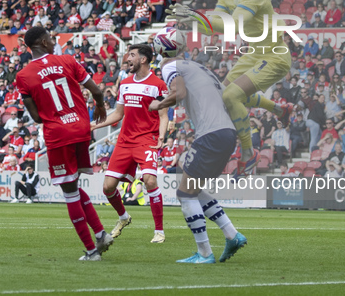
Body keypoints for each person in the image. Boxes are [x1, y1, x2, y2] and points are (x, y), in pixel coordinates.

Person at [169, 0, 289, 178]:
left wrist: (195, 16)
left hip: (275, 55)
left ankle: (248, 153)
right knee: (224, 94)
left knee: (231, 96)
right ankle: (278, 109)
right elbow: (216, 22)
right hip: (256, 52)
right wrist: (193, 20)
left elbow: (233, 25)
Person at [148, 33, 246, 264]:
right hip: (226, 132)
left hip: (211, 134)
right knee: (193, 188)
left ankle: (204, 253)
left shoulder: (170, 65)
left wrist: (158, 104)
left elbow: (179, 93)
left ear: (159, 51)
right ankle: (232, 235)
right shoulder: (199, 67)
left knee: (184, 193)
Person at [17, 27, 112, 261]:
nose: (53, 41)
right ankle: (100, 234)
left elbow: (37, 118)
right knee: (74, 186)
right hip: (81, 129)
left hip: (59, 135)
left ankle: (92, 251)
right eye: (50, 38)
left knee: (69, 192)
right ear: (42, 42)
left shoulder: (24, 75)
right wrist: (99, 106)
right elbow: (97, 91)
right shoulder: (68, 61)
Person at [91, 44, 169, 244]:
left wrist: (161, 137)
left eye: (132, 55)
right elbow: (118, 114)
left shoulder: (158, 84)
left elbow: (163, 115)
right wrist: (95, 124)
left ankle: (159, 231)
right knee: (108, 187)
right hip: (125, 141)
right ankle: (124, 218)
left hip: (147, 140)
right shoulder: (125, 83)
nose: (128, 59)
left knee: (150, 181)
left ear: (143, 59)